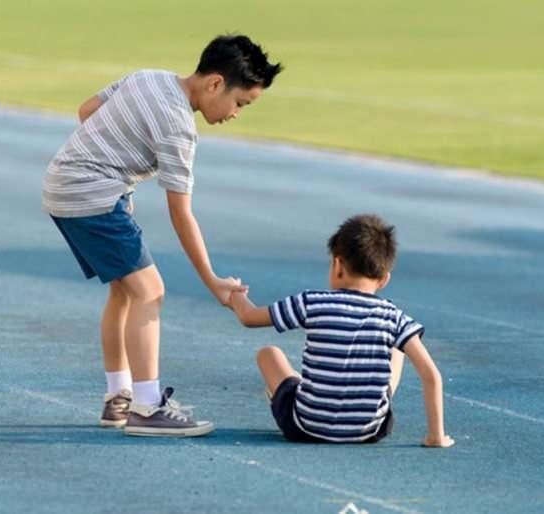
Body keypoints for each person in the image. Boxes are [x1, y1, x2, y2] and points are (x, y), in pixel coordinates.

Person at [41, 34, 283, 437]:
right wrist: (213, 281)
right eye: (241, 103)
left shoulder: (148, 77)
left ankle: (118, 396)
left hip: (62, 182)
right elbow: (180, 213)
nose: (237, 114)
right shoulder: (179, 129)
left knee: (124, 291)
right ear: (215, 84)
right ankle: (147, 406)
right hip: (91, 192)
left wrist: (115, 154)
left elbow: (87, 111)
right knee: (149, 291)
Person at [228, 214, 454, 446]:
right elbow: (431, 375)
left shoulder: (312, 302)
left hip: (306, 426)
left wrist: (236, 295)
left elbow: (248, 317)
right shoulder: (393, 317)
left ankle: (293, 392)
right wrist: (435, 436)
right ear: (384, 279)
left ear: (337, 265)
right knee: (398, 349)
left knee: (269, 354)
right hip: (368, 431)